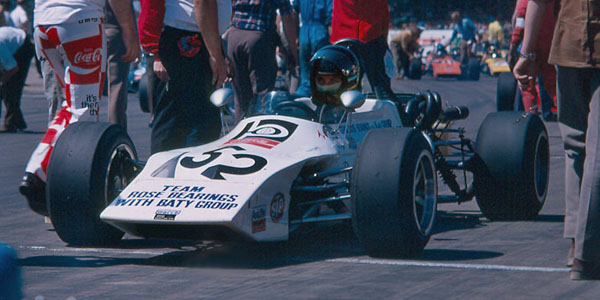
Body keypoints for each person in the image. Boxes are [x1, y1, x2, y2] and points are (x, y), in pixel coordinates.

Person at [19, 0, 140, 216]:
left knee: (69, 107)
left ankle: (51, 181)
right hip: (79, 23)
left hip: (44, 24)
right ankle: (40, 172)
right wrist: (130, 31)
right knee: (84, 111)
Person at [514, 0, 600, 280]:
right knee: (596, 152)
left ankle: (576, 243)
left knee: (576, 147)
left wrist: (527, 52)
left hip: (568, 45)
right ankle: (587, 253)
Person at [141, 0, 231, 153]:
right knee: (196, 121)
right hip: (187, 38)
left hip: (197, 36)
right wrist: (215, 55)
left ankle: (177, 170)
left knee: (185, 118)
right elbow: (203, 4)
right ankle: (178, 172)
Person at [227, 0, 298, 122]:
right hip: (258, 38)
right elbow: (286, 17)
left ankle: (240, 132)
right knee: (263, 96)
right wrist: (293, 50)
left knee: (240, 97)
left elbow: (230, 11)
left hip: (234, 36)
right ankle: (258, 134)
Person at [329, 0, 393, 100]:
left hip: (343, 37)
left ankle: (342, 113)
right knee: (381, 89)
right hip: (371, 36)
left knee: (344, 88)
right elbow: (383, 11)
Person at [508, 0, 556, 119]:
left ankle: (531, 119)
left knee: (527, 85)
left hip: (532, 48)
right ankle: (562, 114)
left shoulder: (524, 2)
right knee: (551, 84)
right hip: (550, 47)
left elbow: (519, 27)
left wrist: (512, 49)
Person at [291, 0, 332, 97]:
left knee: (305, 74)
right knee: (323, 71)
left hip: (304, 33)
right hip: (321, 32)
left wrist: (295, 35)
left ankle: (304, 97)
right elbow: (331, 16)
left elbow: (294, 12)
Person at [104, 0, 134, 130]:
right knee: (116, 86)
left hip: (72, 25)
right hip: (111, 26)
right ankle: (115, 133)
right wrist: (129, 32)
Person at [0, 26, 34, 132]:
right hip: (11, 42)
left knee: (12, 86)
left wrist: (2, 81)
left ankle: (12, 123)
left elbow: (13, 68)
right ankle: (17, 121)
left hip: (23, 47)